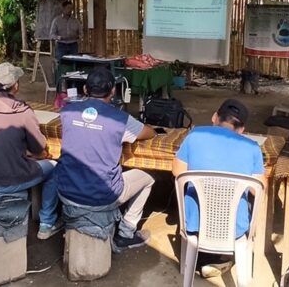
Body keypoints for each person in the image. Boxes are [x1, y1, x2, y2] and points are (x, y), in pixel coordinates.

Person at [55, 66, 157, 251]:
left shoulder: (67, 111)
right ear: (113, 91)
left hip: (65, 190)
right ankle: (126, 233)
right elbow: (148, 133)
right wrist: (148, 125)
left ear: (85, 90)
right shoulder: (120, 119)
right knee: (148, 177)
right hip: (101, 195)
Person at [0, 63, 60, 238]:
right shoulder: (23, 112)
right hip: (10, 178)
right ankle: (47, 223)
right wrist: (38, 154)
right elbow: (39, 149)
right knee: (55, 168)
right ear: (15, 86)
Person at [172, 99, 264, 277]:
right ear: (242, 129)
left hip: (195, 223)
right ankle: (222, 259)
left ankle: (203, 259)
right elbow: (258, 189)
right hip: (233, 228)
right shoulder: (252, 148)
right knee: (249, 201)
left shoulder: (194, 136)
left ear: (215, 117)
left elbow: (177, 171)